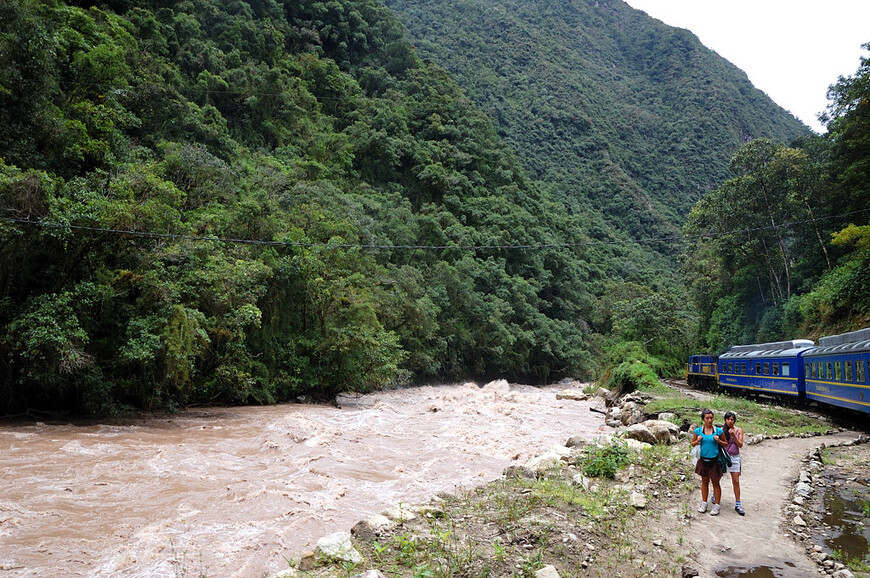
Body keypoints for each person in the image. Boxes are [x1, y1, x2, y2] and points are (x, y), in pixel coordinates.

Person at [691, 408, 726, 515]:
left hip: (715, 460)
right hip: (703, 459)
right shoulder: (698, 431)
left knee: (716, 483)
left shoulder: (718, 431)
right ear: (703, 419)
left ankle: (717, 505)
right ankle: (704, 503)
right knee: (704, 482)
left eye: (711, 418)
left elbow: (725, 443)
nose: (710, 420)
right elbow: (692, 444)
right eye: (707, 418)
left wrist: (719, 440)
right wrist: (698, 440)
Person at [722, 410, 745, 515]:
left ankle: (738, 503)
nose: (730, 421)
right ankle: (714, 495)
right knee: (718, 476)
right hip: (724, 457)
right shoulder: (722, 430)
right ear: (725, 420)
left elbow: (740, 444)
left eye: (732, 419)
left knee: (736, 480)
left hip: (735, 458)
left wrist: (733, 436)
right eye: (728, 419)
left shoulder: (739, 430)